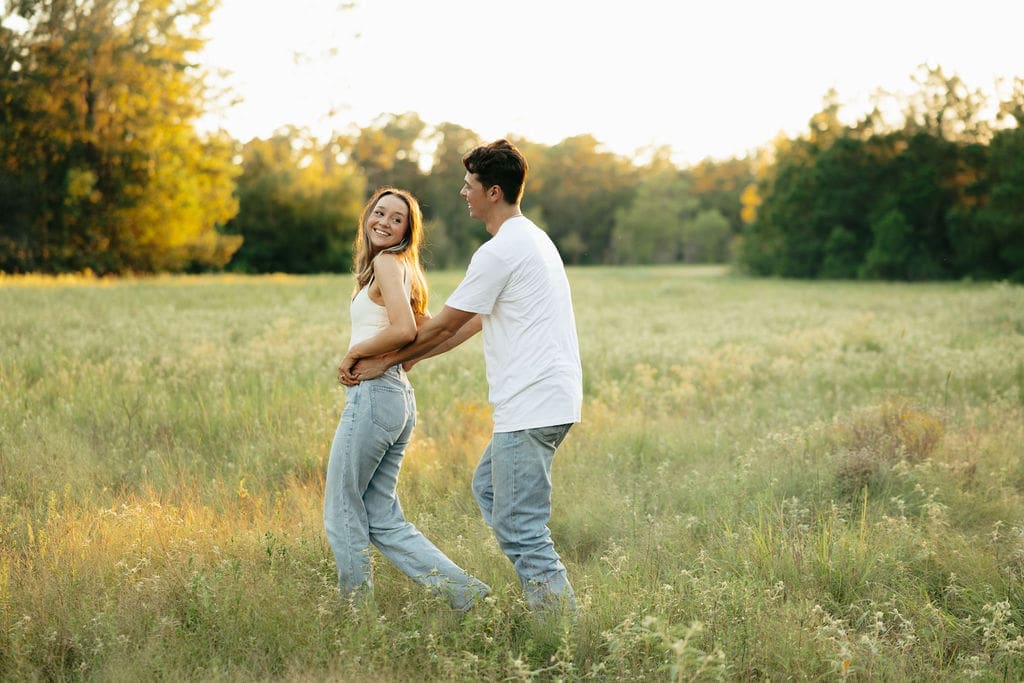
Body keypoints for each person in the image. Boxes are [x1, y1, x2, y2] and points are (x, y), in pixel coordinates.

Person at [340, 140, 583, 614]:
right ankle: (537, 603)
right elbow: (470, 321)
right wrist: (411, 358)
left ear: (493, 192)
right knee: (489, 489)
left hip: (530, 404)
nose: (463, 192)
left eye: (469, 185)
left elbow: (446, 323)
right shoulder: (532, 239)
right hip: (549, 400)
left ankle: (560, 630)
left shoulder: (501, 251)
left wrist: (385, 360)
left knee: (522, 528)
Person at [324, 186, 489, 612]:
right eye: (379, 213)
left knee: (342, 507)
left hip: (376, 398)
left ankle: (355, 617)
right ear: (367, 216)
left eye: (396, 219)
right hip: (397, 399)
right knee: (380, 516)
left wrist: (356, 353)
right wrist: (486, 314)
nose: (384, 222)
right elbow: (448, 331)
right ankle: (466, 595)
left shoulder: (385, 262)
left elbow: (403, 330)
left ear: (406, 230)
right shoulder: (404, 270)